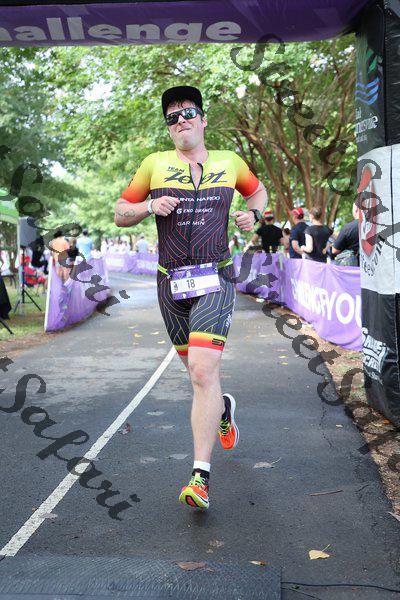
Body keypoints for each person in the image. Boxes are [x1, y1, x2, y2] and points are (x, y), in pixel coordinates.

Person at [114, 85, 267, 510]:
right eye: (172, 117)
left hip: (216, 279)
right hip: (171, 285)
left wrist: (253, 214)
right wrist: (148, 207)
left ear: (203, 119)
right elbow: (120, 213)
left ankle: (200, 478)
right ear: (168, 128)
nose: (181, 120)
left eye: (188, 112)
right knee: (200, 374)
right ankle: (222, 410)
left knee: (201, 371)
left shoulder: (229, 162)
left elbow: (257, 192)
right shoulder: (154, 165)